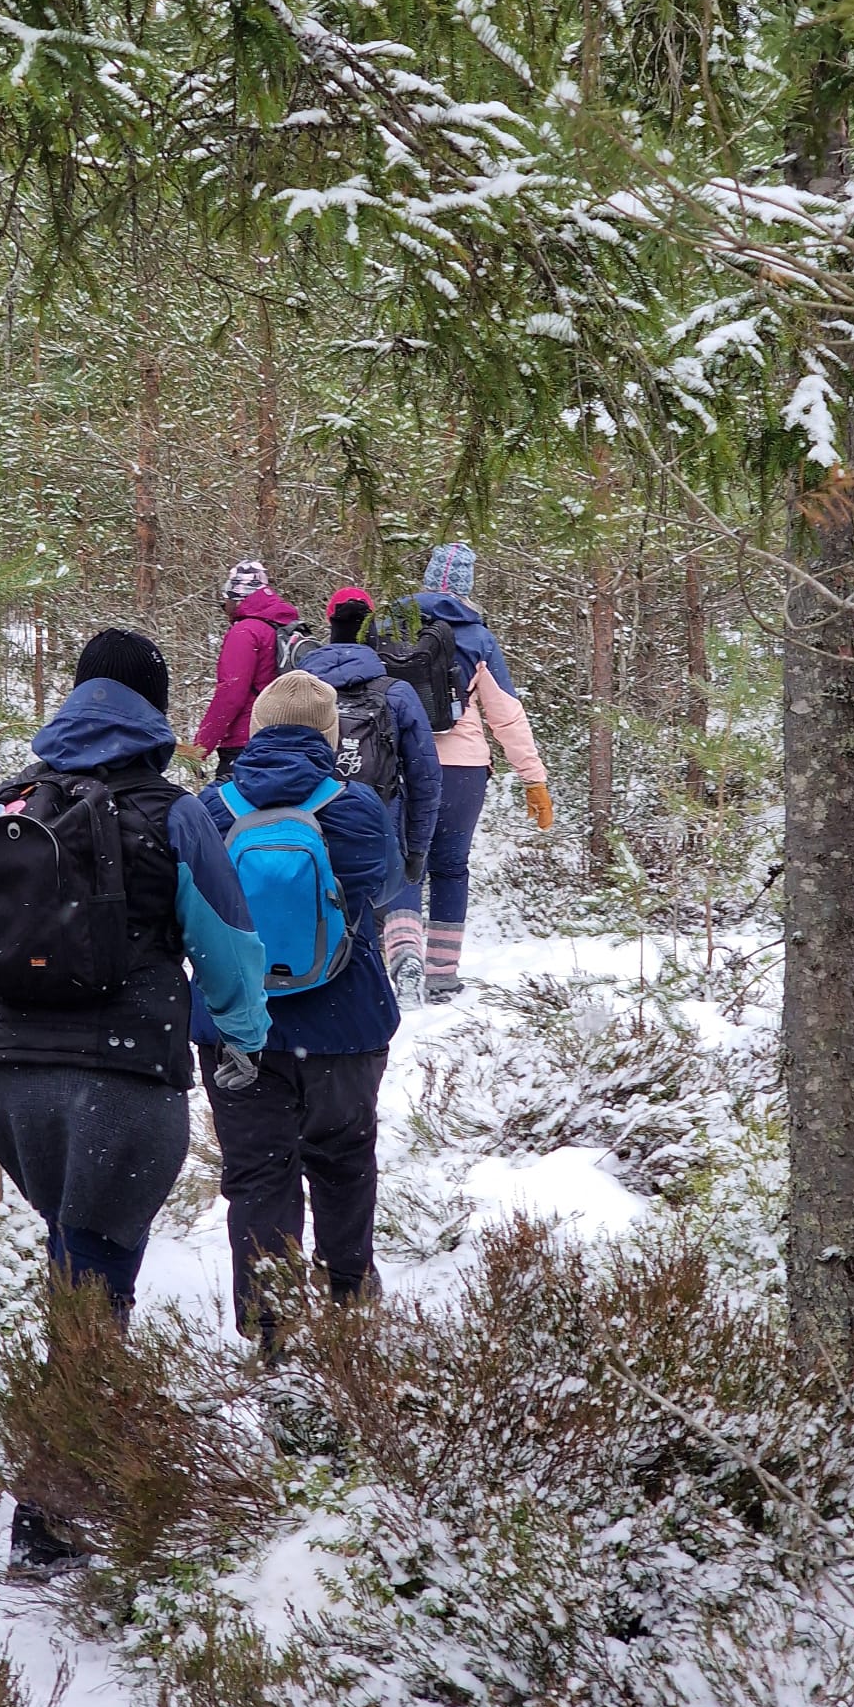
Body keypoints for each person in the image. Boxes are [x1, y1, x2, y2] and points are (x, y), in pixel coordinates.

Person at [0, 630, 269, 1576]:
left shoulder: (7, 805)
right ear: (154, 709)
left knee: (77, 1254)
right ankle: (54, 1518)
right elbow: (228, 948)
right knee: (96, 1281)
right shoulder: (175, 816)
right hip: (122, 1082)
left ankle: (70, 1481)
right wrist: (246, 1041)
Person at [192, 670, 403, 1353]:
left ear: (255, 730)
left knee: (258, 1175)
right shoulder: (356, 806)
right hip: (345, 1022)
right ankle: (349, 1310)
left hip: (236, 1027)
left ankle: (271, 1330)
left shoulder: (209, 810)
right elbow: (385, 883)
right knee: (343, 1163)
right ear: (330, 736)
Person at [384, 543, 552, 1001]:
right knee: (451, 867)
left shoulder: (387, 625)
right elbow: (506, 716)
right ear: (467, 586)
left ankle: (404, 959)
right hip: (463, 768)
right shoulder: (477, 638)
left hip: (401, 762)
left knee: (403, 864)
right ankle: (441, 974)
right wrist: (532, 778)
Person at [295, 587, 442, 1008]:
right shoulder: (395, 692)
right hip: (378, 821)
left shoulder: (296, 688)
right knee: (373, 909)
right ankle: (384, 982)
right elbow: (426, 778)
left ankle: (311, 990)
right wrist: (417, 848)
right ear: (372, 627)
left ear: (329, 624)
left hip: (309, 824)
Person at [182, 559, 302, 776]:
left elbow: (230, 694)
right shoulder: (285, 629)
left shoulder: (246, 632)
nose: (224, 609)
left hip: (245, 744)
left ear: (237, 598)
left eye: (225, 602)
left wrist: (199, 748)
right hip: (287, 739)